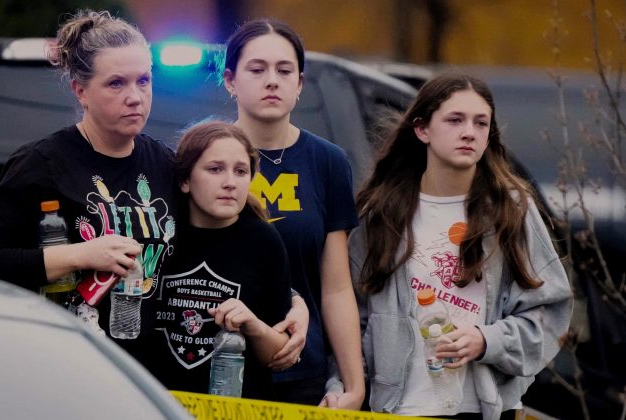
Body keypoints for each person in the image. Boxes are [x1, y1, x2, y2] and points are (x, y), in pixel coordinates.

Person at [0, 10, 178, 363]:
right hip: (62, 363)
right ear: (81, 91)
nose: (135, 97)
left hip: (143, 374)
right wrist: (80, 255)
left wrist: (288, 297)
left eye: (144, 81)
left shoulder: (165, 164)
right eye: (116, 83)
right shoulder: (41, 163)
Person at [347, 73, 572, 419]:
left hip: (485, 408)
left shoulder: (511, 210)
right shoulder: (380, 214)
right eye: (454, 120)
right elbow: (350, 317)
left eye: (481, 123)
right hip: (401, 408)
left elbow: (549, 313)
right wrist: (347, 385)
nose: (469, 132)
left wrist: (487, 340)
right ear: (422, 129)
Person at [221, 18, 364, 408]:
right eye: (257, 69)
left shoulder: (328, 162)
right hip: (215, 360)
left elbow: (335, 286)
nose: (272, 81)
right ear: (230, 80)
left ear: (300, 84)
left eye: (285, 71)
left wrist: (353, 385)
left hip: (301, 369)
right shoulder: (205, 156)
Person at [148, 121, 292, 400]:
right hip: (158, 404)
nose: (230, 182)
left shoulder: (264, 241)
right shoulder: (159, 233)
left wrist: (253, 325)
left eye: (241, 171)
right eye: (215, 169)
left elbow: (279, 355)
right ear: (185, 180)